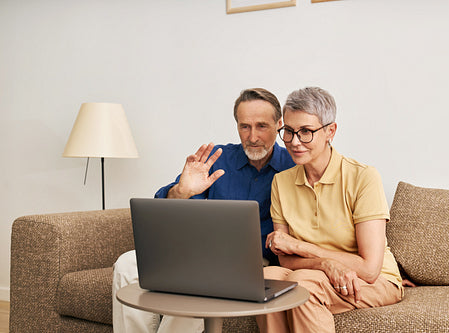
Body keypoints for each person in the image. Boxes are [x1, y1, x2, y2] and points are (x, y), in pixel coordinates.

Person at [112, 88, 295, 333]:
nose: (252, 137)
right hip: (197, 252)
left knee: (201, 286)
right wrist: (183, 191)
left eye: (261, 126)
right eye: (244, 126)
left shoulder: (293, 165)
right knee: (126, 265)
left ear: (279, 124)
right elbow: (165, 207)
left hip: (251, 263)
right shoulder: (217, 159)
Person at [256, 87, 403, 333]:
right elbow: (285, 258)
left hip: (377, 280)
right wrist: (325, 264)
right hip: (313, 273)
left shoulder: (362, 177)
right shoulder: (281, 183)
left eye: (306, 132)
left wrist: (302, 247)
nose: (294, 142)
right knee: (264, 279)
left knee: (303, 285)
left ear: (330, 131)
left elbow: (369, 268)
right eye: (289, 131)